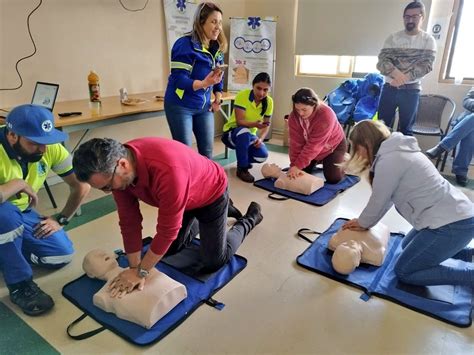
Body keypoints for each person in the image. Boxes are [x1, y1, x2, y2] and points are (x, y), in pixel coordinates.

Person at [73, 137, 263, 296]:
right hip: (185, 199)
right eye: (102, 189)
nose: (108, 192)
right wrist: (134, 268)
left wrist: (142, 272)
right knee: (168, 250)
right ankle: (215, 215)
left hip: (211, 193)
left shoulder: (167, 168)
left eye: (107, 186)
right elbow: (129, 222)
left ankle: (249, 218)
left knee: (213, 261)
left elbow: (167, 230)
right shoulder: (118, 171)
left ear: (122, 164)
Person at [342, 120, 474, 287]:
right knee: (406, 245)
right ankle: (470, 255)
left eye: (357, 146)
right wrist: (366, 222)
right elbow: (387, 198)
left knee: (405, 271)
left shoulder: (389, 160)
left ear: (366, 142)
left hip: (452, 225)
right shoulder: (397, 149)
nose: (357, 152)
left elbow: (379, 200)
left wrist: (362, 223)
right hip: (455, 216)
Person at [0, 104, 90, 315]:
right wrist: (17, 184)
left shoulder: (49, 147)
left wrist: (61, 219)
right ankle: (20, 285)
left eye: (47, 142)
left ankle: (6, 252)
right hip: (5, 215)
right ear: (13, 135)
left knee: (60, 255)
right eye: (35, 143)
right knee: (4, 215)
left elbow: (82, 185)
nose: (44, 150)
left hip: (22, 214)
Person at [164, 2, 227, 158]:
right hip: (180, 106)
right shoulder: (184, 45)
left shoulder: (216, 48)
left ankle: (206, 182)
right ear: (201, 22)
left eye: (220, 22)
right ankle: (187, 182)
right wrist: (205, 84)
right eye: (213, 21)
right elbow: (179, 79)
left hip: (203, 106)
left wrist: (217, 98)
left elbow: (218, 77)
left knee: (207, 153)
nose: (218, 27)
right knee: (185, 154)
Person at [83, 249, 187, 329]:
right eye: (96, 256)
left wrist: (140, 272)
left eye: (104, 252)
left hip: (176, 289)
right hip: (153, 312)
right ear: (90, 274)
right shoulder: (102, 296)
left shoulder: (144, 267)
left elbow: (167, 234)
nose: (103, 255)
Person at [376, 1, 436, 136]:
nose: (410, 20)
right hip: (389, 87)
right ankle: (381, 157)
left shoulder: (428, 40)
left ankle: (402, 157)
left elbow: (426, 65)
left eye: (414, 16)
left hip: (411, 90)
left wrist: (404, 78)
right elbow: (382, 62)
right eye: (407, 16)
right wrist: (397, 74)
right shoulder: (393, 38)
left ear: (422, 17)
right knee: (382, 128)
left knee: (406, 130)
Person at [221, 72, 273, 183]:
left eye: (265, 90)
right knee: (244, 131)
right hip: (231, 134)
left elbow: (266, 125)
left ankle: (243, 158)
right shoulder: (243, 95)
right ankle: (242, 168)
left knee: (262, 156)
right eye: (258, 88)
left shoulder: (269, 102)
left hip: (249, 135)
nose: (261, 92)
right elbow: (240, 122)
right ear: (252, 86)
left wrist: (261, 139)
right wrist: (255, 124)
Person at [288, 88, 346, 184]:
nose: (300, 113)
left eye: (304, 109)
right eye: (297, 109)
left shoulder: (326, 115)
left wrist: (298, 166)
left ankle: (342, 161)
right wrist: (294, 165)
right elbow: (295, 144)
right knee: (301, 173)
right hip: (312, 147)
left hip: (333, 146)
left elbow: (314, 145)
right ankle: (317, 161)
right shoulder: (293, 116)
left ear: (314, 105)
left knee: (333, 178)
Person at [425, 86, 474, 187]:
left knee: (470, 130)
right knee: (470, 132)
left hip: (468, 122)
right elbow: (466, 100)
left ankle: (442, 147)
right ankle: (460, 171)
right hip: (468, 120)